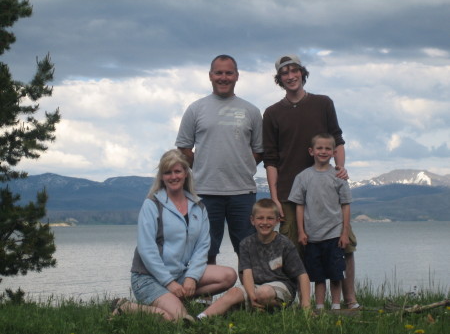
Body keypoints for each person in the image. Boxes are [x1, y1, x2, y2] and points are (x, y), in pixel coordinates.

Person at [263, 54, 359, 309]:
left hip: (328, 188)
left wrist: (340, 168)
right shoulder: (272, 113)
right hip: (289, 194)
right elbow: (270, 160)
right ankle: (300, 302)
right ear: (279, 79)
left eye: (295, 71)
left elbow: (337, 139)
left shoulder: (323, 103)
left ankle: (349, 300)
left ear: (302, 74)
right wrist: (274, 199)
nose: (291, 76)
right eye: (285, 73)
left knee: (345, 243)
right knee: (294, 247)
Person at [126, 149, 237, 322]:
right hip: (149, 277)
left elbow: (202, 247)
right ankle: (125, 307)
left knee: (228, 276)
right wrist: (169, 283)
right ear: (162, 177)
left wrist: (191, 278)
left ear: (186, 173)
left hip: (181, 273)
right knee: (176, 318)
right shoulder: (152, 204)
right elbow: (146, 250)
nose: (173, 177)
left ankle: (177, 297)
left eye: (177, 171)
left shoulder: (198, 207)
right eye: (167, 172)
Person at [176, 54, 263, 265]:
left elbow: (259, 150)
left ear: (237, 76)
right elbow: (184, 147)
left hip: (242, 192)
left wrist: (241, 165)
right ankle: (206, 296)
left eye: (228, 73)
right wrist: (205, 166)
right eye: (219, 73)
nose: (223, 77)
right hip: (206, 191)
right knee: (206, 249)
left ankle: (252, 295)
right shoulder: (195, 109)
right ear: (210, 76)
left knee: (248, 249)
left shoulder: (251, 111)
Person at [195, 198, 310, 319]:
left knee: (263, 293)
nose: (265, 222)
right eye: (260, 218)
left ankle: (254, 309)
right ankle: (201, 318)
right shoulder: (246, 244)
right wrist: (251, 295)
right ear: (252, 220)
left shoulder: (285, 244)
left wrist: (306, 305)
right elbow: (247, 273)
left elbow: (302, 275)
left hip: (282, 288)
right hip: (255, 286)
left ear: (277, 221)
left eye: (270, 218)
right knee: (234, 293)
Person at [288, 133, 351, 310]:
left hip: (334, 234)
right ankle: (320, 306)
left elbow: (346, 205)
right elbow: (299, 206)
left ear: (333, 152)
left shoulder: (339, 176)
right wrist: (301, 231)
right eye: (319, 148)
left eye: (327, 148)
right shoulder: (303, 177)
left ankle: (337, 306)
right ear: (311, 151)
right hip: (313, 236)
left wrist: (345, 232)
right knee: (318, 275)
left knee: (336, 274)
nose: (323, 151)